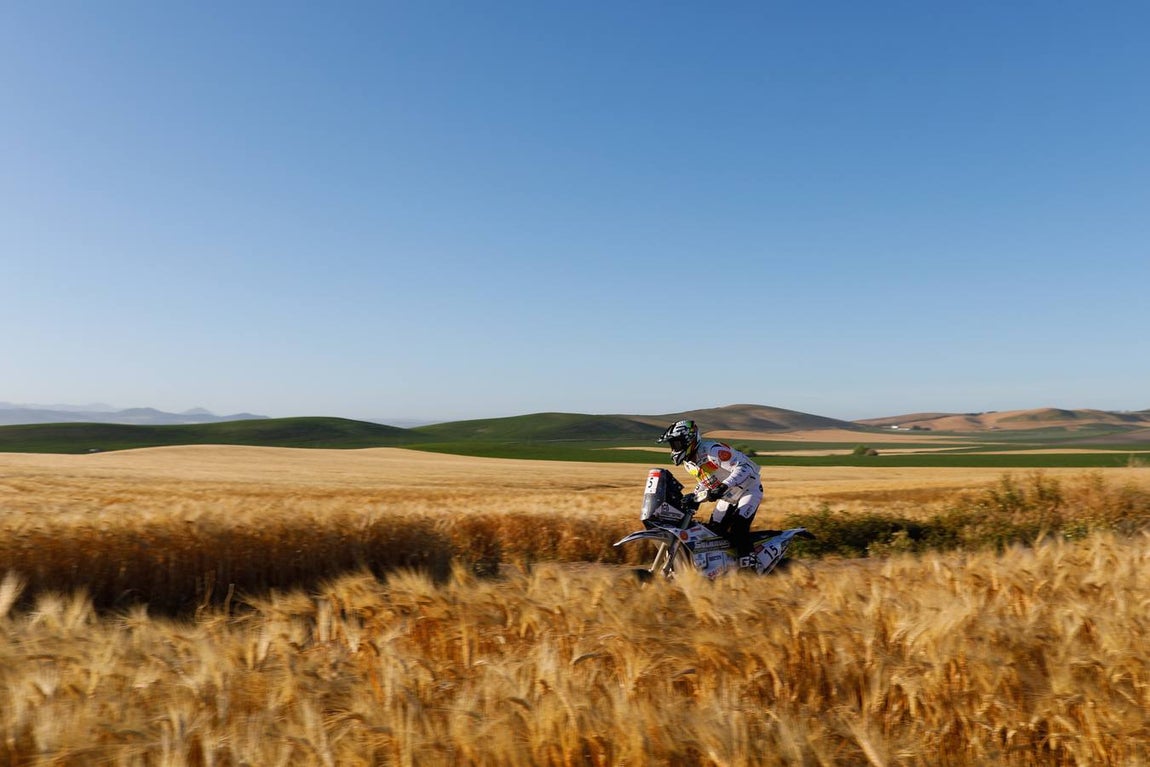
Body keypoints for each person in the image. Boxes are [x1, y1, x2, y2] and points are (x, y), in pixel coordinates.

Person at [657, 419, 763, 566]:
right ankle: (725, 565)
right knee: (714, 531)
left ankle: (750, 566)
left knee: (739, 528)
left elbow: (745, 468)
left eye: (676, 444)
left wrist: (724, 486)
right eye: (672, 445)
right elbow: (706, 481)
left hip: (748, 490)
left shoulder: (712, 451)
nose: (674, 449)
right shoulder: (689, 463)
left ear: (688, 440)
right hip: (728, 496)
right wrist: (694, 495)